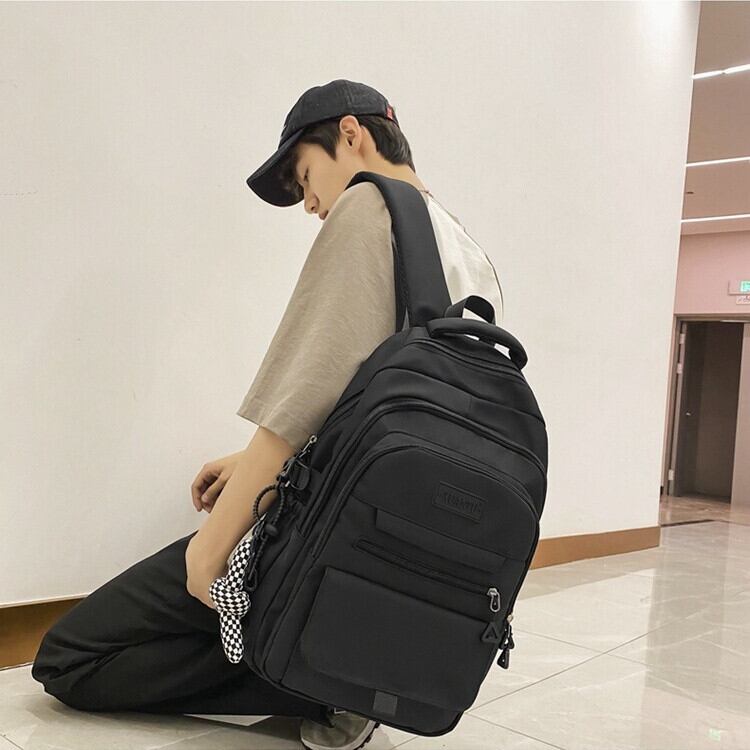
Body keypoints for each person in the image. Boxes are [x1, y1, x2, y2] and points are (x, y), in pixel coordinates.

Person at [31, 79, 505, 750]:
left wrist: (211, 549)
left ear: (351, 134)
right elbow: (393, 414)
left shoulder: (368, 206)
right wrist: (255, 464)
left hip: (321, 537)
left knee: (70, 657)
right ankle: (345, 668)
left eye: (305, 177)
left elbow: (301, 399)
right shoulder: (470, 254)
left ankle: (315, 678)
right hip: (388, 552)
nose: (309, 204)